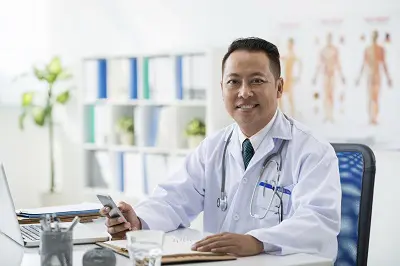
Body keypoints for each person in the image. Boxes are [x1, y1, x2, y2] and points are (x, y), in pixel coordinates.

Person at [101, 37, 341, 260]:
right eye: (233, 81)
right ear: (222, 88)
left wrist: (257, 241)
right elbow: (173, 199)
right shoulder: (214, 147)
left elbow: (318, 221)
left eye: (256, 80)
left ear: (279, 88)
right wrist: (138, 221)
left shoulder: (313, 151)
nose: (244, 92)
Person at [355, 30, 392, 125]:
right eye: (373, 36)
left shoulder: (380, 49)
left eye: (375, 36)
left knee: (375, 97)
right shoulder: (367, 49)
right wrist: (359, 77)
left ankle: (374, 118)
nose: (374, 37)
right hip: (370, 75)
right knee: (370, 97)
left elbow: (384, 64)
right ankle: (370, 117)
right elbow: (363, 64)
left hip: (377, 75)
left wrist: (388, 78)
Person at [312, 33, 346, 123]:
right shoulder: (323, 50)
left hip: (332, 75)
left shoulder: (335, 50)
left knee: (331, 95)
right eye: (328, 38)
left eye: (330, 38)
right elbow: (319, 65)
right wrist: (315, 76)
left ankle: (330, 115)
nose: (329, 40)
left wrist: (342, 76)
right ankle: (327, 115)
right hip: (325, 75)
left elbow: (338, 64)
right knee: (326, 95)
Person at [279, 38, 302, 118]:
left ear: (292, 45)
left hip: (290, 79)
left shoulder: (292, 54)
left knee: (289, 97)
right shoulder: (288, 54)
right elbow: (281, 58)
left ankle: (292, 115)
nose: (288, 45)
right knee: (281, 96)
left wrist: (298, 76)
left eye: (290, 44)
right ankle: (283, 114)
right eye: (288, 44)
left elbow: (299, 63)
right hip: (286, 78)